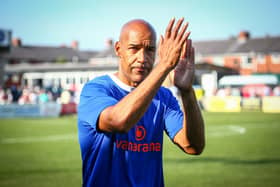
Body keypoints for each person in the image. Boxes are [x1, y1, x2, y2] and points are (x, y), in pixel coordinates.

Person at [78, 17, 205, 187]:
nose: (142, 58)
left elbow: (193, 146)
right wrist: (164, 65)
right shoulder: (96, 89)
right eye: (134, 48)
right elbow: (118, 121)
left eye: (150, 50)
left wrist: (187, 91)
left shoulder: (163, 97)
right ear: (118, 49)